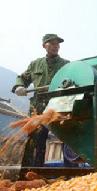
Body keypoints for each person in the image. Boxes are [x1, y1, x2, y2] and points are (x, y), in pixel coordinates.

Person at [11, 34, 69, 167]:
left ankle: (69, 172)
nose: (56, 46)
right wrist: (19, 86)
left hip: (58, 106)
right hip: (38, 107)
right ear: (44, 45)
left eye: (57, 44)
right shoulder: (35, 64)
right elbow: (23, 78)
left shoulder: (66, 65)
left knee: (66, 136)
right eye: (52, 43)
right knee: (36, 138)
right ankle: (33, 171)